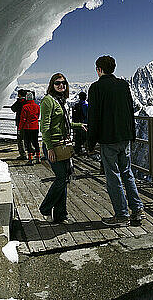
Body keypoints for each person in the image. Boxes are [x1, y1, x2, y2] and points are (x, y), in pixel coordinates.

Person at [87, 55, 145, 226]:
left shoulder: (96, 88)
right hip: (124, 136)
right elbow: (129, 110)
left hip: (108, 139)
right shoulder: (123, 85)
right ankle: (137, 210)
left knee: (113, 176)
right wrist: (132, 134)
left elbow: (94, 117)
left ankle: (121, 215)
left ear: (99, 69)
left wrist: (90, 142)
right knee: (127, 172)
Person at [39, 73, 86, 224]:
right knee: (61, 178)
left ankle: (60, 215)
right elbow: (44, 127)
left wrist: (79, 125)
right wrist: (49, 148)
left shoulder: (62, 101)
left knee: (64, 179)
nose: (61, 85)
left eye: (64, 83)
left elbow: (64, 124)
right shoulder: (48, 101)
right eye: (58, 83)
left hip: (63, 145)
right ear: (52, 84)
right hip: (54, 146)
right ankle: (45, 208)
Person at [18, 90, 40, 165]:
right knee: (35, 142)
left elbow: (23, 118)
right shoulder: (37, 106)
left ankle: (30, 159)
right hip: (36, 127)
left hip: (27, 127)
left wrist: (20, 127)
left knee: (28, 143)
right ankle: (38, 158)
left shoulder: (25, 107)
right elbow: (38, 116)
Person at [10, 89, 28, 160]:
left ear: (20, 95)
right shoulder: (28, 102)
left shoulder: (19, 102)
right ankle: (31, 153)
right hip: (29, 123)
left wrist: (18, 101)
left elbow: (13, 108)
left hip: (20, 123)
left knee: (20, 139)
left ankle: (23, 154)